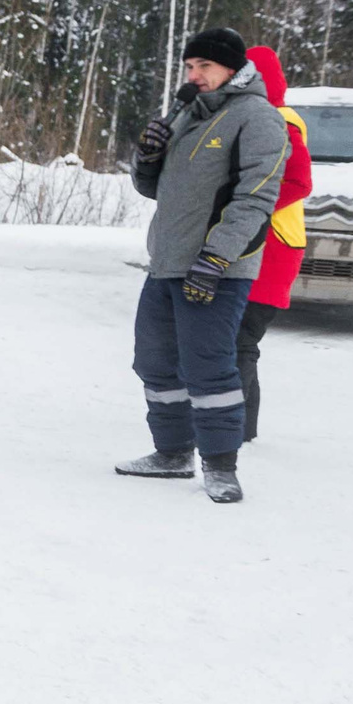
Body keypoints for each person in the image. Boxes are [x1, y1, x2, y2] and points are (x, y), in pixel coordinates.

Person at [118, 27, 291, 504]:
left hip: (218, 268)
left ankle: (220, 466)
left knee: (208, 368)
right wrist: (146, 158)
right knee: (153, 361)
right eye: (190, 67)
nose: (194, 75)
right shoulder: (188, 114)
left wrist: (215, 259)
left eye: (205, 67)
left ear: (233, 69)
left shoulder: (258, 118)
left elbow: (256, 199)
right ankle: (173, 453)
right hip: (167, 261)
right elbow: (154, 189)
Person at [237, 45, 312, 443]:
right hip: (265, 243)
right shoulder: (261, 116)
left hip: (273, 247)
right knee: (238, 341)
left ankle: (235, 428)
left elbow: (299, 182)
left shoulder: (281, 120)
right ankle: (238, 426)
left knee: (240, 341)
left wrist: (247, 206)